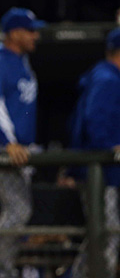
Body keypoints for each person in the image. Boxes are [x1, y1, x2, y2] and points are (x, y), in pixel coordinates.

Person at [0, 7, 45, 278]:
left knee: (21, 211)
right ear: (14, 33)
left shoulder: (20, 60)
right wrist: (7, 143)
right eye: (30, 30)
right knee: (19, 209)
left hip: (17, 148)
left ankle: (0, 266)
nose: (35, 36)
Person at [69, 27, 120, 278]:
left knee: (101, 233)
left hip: (94, 169)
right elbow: (94, 121)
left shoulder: (103, 75)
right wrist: (111, 146)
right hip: (98, 169)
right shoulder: (108, 78)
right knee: (106, 233)